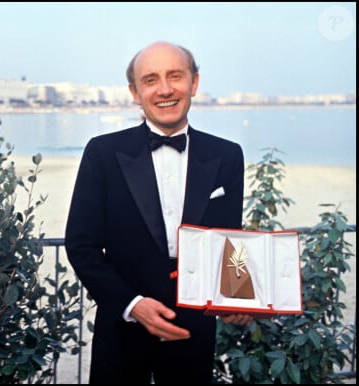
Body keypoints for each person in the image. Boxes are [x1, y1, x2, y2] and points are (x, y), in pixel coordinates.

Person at [64, 41, 253, 384]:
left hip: (192, 332)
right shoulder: (102, 153)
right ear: (135, 92)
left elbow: (228, 244)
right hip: (121, 329)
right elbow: (81, 246)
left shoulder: (227, 155)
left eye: (175, 76)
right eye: (150, 80)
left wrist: (237, 297)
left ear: (194, 83)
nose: (165, 89)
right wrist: (133, 304)